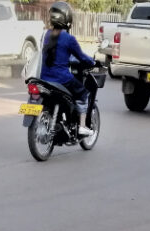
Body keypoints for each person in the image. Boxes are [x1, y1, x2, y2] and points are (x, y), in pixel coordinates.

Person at [39, 1, 97, 137]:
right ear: (67, 18)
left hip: (44, 78)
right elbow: (82, 57)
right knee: (83, 94)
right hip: (62, 79)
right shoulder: (69, 38)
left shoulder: (45, 35)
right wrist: (93, 62)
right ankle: (82, 126)